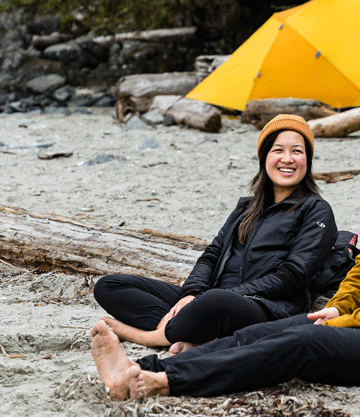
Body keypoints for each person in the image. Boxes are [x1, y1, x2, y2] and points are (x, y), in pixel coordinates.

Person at [90, 93, 360, 399]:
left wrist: (341, 322)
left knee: (301, 342)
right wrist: (340, 306)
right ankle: (140, 368)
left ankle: (162, 381)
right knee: (265, 333)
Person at [92, 114, 338, 355]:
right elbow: (212, 255)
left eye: (297, 151)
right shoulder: (246, 207)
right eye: (278, 150)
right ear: (264, 157)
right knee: (109, 285)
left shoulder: (316, 209)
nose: (287, 159)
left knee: (215, 303)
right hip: (211, 299)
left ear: (308, 160)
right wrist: (190, 295)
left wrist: (218, 296)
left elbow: (292, 276)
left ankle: (150, 337)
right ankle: (195, 334)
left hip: (264, 307)